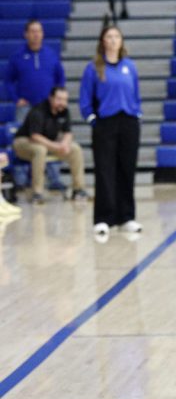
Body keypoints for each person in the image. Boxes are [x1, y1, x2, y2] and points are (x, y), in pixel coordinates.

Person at [79, 26, 143, 239]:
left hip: (129, 123)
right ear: (103, 41)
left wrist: (137, 114)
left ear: (122, 41)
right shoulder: (94, 68)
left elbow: (136, 94)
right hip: (105, 123)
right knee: (105, 171)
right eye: (109, 36)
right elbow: (85, 98)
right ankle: (103, 218)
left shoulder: (130, 66)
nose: (113, 40)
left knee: (127, 170)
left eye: (117, 36)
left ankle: (126, 217)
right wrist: (92, 119)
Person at [12, 86, 87, 204]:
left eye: (65, 100)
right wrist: (56, 146)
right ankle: (37, 193)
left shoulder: (64, 111)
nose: (62, 103)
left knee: (75, 149)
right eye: (59, 99)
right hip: (24, 142)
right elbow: (35, 136)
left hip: (47, 143)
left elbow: (68, 133)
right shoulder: (38, 111)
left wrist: (64, 144)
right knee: (40, 150)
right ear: (51, 98)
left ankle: (78, 190)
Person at [5, 20, 66, 123]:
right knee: (23, 133)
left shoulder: (51, 55)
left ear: (42, 34)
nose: (36, 35)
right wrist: (16, 99)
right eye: (33, 31)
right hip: (25, 107)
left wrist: (57, 98)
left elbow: (60, 78)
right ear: (26, 34)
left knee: (49, 132)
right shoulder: (17, 56)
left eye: (39, 31)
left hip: (48, 107)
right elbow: (8, 81)